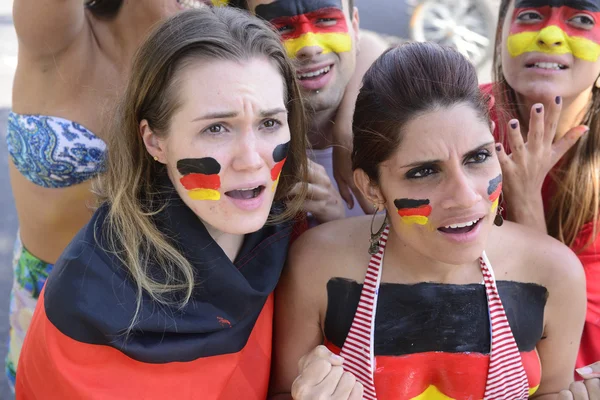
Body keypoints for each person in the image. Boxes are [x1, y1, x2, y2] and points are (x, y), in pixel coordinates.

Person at [15, 7, 308, 399]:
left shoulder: (297, 235)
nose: (252, 159)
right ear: (154, 141)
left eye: (270, 123)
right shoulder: (85, 307)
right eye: (216, 128)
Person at [270, 42, 587, 399]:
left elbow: (552, 392)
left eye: (477, 157)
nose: (466, 196)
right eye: (424, 171)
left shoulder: (555, 273)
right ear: (371, 187)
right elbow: (283, 391)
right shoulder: (317, 263)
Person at [4, 0, 235, 388]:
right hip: (42, 298)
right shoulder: (58, 31)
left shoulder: (211, 42)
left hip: (160, 317)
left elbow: (343, 33)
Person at [483, 0, 600, 380]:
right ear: (501, 31)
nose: (550, 36)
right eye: (531, 15)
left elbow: (568, 342)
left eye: (581, 19)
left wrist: (526, 203)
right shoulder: (456, 119)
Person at [246, 0, 389, 223]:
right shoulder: (245, 157)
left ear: (355, 26)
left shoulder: (403, 123)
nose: (310, 47)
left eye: (326, 20)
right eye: (282, 28)